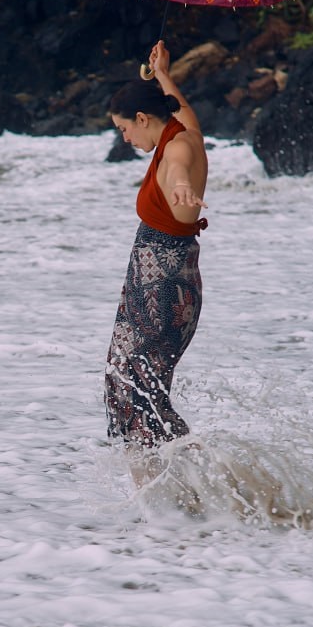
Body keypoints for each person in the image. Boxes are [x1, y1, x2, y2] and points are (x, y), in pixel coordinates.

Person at [104, 40, 209, 487]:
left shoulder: (177, 150)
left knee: (138, 393)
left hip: (163, 293)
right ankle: (177, 489)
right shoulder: (183, 129)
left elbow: (181, 164)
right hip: (152, 286)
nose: (126, 139)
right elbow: (182, 111)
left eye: (125, 129)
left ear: (142, 118)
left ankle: (178, 490)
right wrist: (163, 73)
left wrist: (182, 186)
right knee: (127, 385)